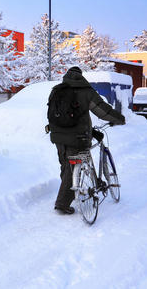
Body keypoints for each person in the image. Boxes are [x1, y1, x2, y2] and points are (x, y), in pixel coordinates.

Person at [48, 66, 125, 215]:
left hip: (57, 136)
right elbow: (102, 110)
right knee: (72, 167)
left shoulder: (56, 90)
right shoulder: (86, 91)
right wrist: (120, 119)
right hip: (78, 137)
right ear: (81, 77)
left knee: (66, 165)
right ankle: (62, 203)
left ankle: (70, 191)